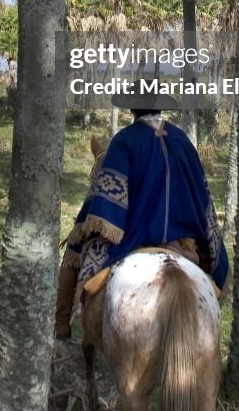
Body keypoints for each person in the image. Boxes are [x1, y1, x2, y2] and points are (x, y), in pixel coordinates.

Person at [54, 84, 228, 339]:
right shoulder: (182, 141)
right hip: (183, 240)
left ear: (133, 108)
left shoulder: (125, 140)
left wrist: (85, 223)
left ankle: (60, 327)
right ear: (159, 106)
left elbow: (105, 196)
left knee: (73, 254)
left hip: (133, 238)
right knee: (210, 266)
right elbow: (200, 191)